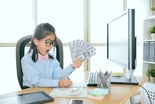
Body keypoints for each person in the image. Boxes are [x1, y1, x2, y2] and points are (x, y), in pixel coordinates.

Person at [21, 23, 82, 88]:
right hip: (32, 93)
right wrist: (58, 83)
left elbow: (58, 75)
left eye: (52, 43)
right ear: (36, 41)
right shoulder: (26, 60)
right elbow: (36, 81)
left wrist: (72, 66)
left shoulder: (52, 58)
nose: (51, 46)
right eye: (47, 42)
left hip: (49, 91)